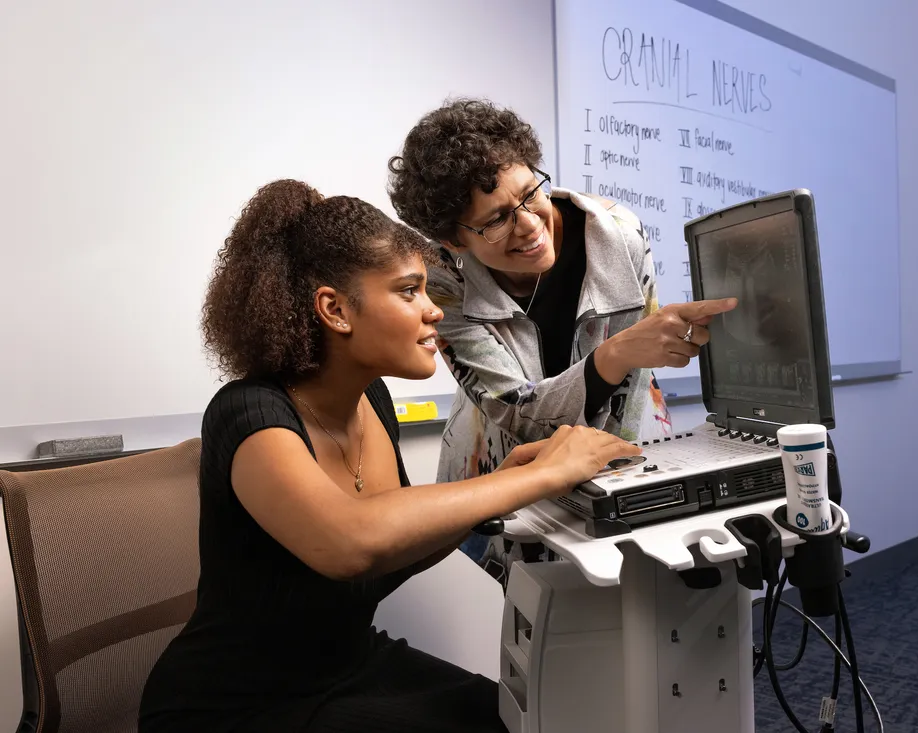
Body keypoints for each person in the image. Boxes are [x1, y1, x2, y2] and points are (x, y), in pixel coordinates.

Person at [138, 179, 641, 733]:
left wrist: (504, 479)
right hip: (236, 704)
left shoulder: (371, 401)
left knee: (523, 719)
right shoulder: (249, 413)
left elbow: (389, 553)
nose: (433, 312)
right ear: (334, 310)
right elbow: (353, 545)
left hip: (349, 667)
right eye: (408, 292)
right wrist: (543, 475)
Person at [387, 98, 738, 571]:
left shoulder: (619, 235)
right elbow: (520, 415)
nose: (531, 225)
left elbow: (628, 402)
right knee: (540, 618)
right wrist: (615, 353)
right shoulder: (441, 283)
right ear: (454, 241)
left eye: (530, 193)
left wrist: (616, 498)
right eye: (495, 220)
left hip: (630, 449)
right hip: (506, 471)